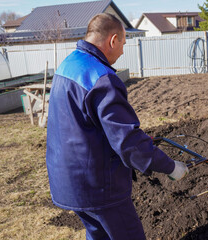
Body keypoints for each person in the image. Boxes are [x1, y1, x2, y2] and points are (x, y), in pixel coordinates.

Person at [46, 13, 189, 240]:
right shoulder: (101, 78)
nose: (122, 51)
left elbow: (81, 124)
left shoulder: (69, 64)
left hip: (69, 181)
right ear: (113, 40)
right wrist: (170, 167)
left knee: (98, 235)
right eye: (122, 43)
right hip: (100, 187)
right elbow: (127, 142)